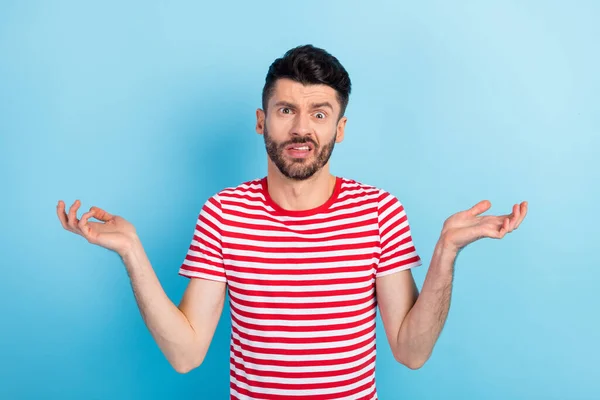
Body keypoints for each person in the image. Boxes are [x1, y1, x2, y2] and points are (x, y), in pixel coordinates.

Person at [56, 44, 528, 399]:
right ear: (262, 121)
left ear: (339, 129)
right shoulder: (224, 213)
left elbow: (411, 351)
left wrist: (445, 254)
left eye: (319, 113)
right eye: (287, 110)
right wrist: (133, 253)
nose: (302, 128)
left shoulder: (380, 212)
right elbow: (186, 354)